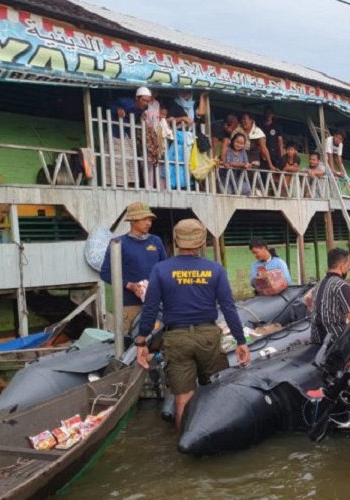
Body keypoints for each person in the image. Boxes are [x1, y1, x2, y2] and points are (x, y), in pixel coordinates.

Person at [135, 219, 251, 429]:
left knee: (183, 398)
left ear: (177, 240)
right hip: (208, 336)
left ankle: (184, 444)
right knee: (215, 391)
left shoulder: (161, 269)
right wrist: (241, 341)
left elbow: (150, 309)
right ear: (201, 241)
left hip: (176, 339)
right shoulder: (215, 270)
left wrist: (141, 342)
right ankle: (214, 441)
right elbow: (228, 308)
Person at [100, 202, 167, 334]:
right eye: (144, 219)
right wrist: (129, 285)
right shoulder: (119, 243)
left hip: (156, 304)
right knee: (130, 344)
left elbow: (165, 270)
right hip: (130, 306)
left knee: (157, 343)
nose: (148, 223)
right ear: (133, 221)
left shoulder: (156, 241)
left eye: (150, 219)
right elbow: (106, 273)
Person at [310, 248, 350, 345]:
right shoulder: (342, 286)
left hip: (316, 336)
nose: (348, 268)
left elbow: (307, 299)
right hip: (334, 338)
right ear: (342, 266)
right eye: (348, 265)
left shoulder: (319, 284)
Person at [107, 87, 152, 186]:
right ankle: (116, 184)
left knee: (129, 159)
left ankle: (128, 183)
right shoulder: (125, 102)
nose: (145, 103)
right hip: (116, 133)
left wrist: (141, 117)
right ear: (137, 98)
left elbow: (137, 118)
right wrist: (117, 110)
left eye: (147, 101)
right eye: (143, 100)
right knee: (117, 159)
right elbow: (109, 104)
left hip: (128, 134)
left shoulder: (144, 108)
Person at [262, 105, 284, 170]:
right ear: (264, 113)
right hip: (264, 154)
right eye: (267, 113)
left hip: (275, 154)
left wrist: (281, 154)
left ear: (273, 114)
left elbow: (280, 141)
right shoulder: (261, 125)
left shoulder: (277, 126)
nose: (268, 115)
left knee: (276, 171)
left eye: (270, 113)